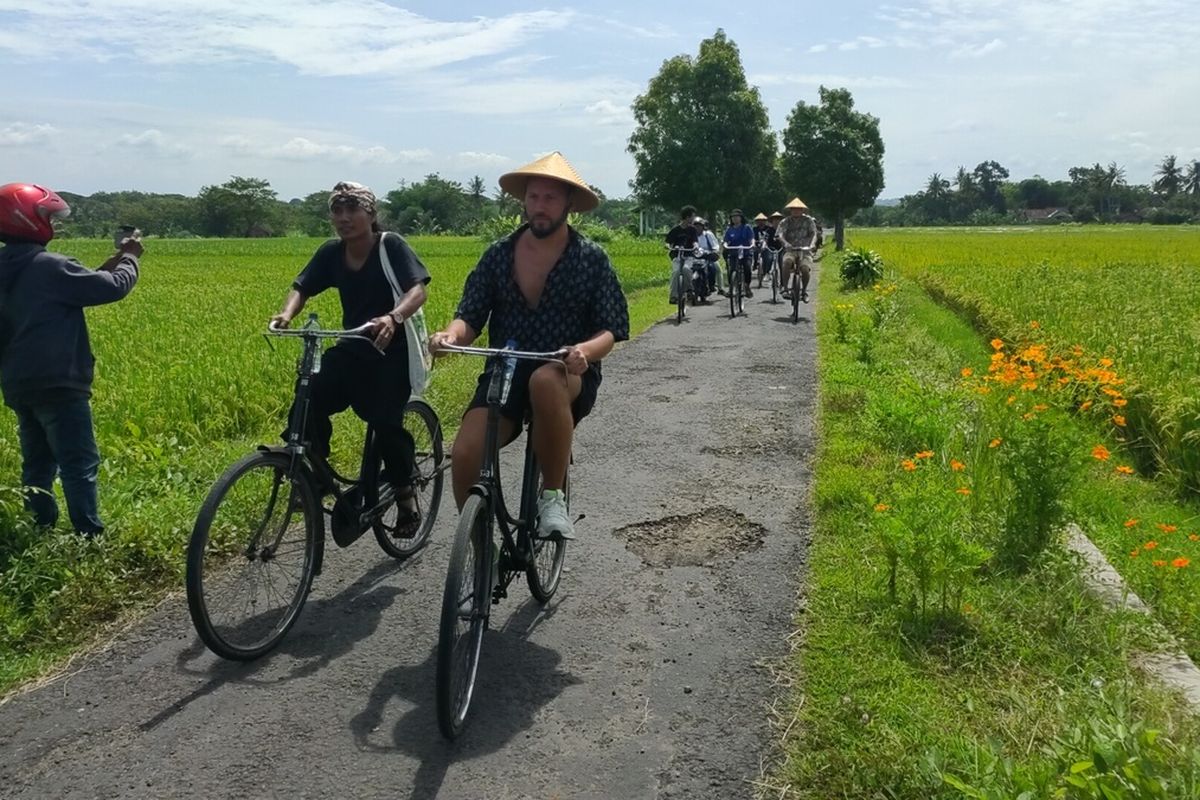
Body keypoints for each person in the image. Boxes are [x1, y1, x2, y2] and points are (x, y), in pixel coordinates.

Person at [429, 151, 629, 542]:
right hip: (504, 373)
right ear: (524, 201)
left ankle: (552, 496)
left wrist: (583, 353)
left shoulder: (591, 258)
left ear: (569, 204)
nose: (540, 207)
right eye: (534, 197)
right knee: (466, 453)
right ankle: (477, 544)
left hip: (566, 374)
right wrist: (450, 337)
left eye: (550, 199)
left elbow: (611, 328)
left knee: (544, 380)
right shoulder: (498, 255)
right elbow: (469, 316)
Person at [270, 181, 430, 535]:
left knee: (386, 423)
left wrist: (393, 317)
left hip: (393, 354)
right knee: (309, 395)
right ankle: (316, 475)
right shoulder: (331, 252)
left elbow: (416, 290)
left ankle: (405, 499)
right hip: (353, 347)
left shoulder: (390, 245)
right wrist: (286, 315)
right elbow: (303, 286)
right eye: (336, 211)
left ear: (371, 214)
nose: (343, 218)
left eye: (352, 210)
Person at [0, 183, 141, 538]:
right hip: (59, 382)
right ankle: (88, 537)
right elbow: (112, 287)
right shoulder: (51, 267)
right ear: (28, 220)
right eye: (48, 216)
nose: (53, 223)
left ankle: (39, 528)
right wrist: (132, 257)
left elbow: (77, 285)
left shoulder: (12, 266)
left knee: (37, 464)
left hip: (18, 382)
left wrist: (108, 264)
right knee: (78, 464)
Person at [776, 197, 818, 302]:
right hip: (791, 249)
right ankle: (785, 289)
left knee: (805, 269)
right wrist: (786, 243)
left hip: (805, 250)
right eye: (793, 209)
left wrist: (812, 244)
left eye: (798, 209)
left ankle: (804, 291)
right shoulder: (785, 221)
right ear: (790, 210)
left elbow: (814, 234)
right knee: (786, 262)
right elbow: (780, 234)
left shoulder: (809, 221)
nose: (796, 211)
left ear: (803, 210)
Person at [664, 205, 699, 306]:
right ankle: (673, 296)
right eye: (692, 216)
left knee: (686, 269)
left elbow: (695, 241)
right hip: (677, 256)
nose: (693, 219)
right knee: (675, 272)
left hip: (688, 255)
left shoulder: (692, 230)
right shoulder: (675, 230)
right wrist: (668, 247)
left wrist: (695, 246)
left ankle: (689, 290)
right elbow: (668, 242)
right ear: (687, 217)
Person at [722, 209, 754, 298]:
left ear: (741, 218)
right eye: (733, 217)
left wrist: (752, 244)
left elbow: (751, 238)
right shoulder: (730, 229)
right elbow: (726, 240)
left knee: (747, 268)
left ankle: (747, 286)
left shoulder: (747, 227)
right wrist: (725, 245)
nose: (735, 218)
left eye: (736, 216)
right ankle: (731, 288)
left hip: (745, 253)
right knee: (731, 270)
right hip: (733, 253)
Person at [694, 217, 722, 298]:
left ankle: (716, 287)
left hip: (708, 256)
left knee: (714, 268)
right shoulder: (691, 235)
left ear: (703, 227)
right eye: (695, 226)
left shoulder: (708, 234)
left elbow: (715, 245)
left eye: (699, 226)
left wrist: (714, 251)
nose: (697, 228)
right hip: (694, 257)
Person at [752, 212, 775, 282]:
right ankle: (755, 264)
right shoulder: (754, 229)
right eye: (759, 220)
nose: (760, 222)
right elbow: (752, 237)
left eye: (762, 220)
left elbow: (771, 238)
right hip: (757, 245)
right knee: (754, 253)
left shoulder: (769, 229)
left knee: (769, 258)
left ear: (765, 221)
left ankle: (767, 272)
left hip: (767, 247)